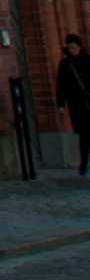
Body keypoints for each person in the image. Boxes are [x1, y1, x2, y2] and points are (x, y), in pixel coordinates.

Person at [57, 32, 90, 177]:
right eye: (69, 48)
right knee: (84, 134)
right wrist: (61, 105)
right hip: (78, 104)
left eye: (74, 48)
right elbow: (61, 85)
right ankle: (84, 162)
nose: (71, 51)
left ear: (79, 47)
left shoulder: (88, 60)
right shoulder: (65, 64)